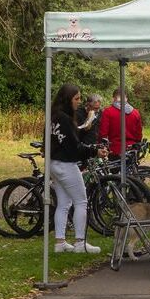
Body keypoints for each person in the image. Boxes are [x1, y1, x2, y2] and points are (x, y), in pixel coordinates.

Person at [49, 82, 102, 254]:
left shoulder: (54, 116)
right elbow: (75, 147)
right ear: (67, 99)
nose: (79, 102)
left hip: (54, 164)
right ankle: (80, 242)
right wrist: (94, 151)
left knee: (64, 203)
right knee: (81, 201)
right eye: (76, 98)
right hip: (66, 164)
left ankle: (60, 241)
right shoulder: (65, 119)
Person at [100, 89, 142, 159]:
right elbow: (139, 134)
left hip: (115, 149)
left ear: (113, 98)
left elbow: (103, 133)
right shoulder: (135, 113)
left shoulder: (108, 112)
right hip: (132, 149)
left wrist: (102, 146)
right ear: (126, 98)